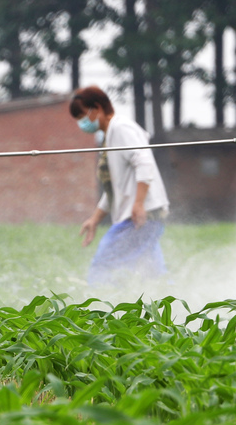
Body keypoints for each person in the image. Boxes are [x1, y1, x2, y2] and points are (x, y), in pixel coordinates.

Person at [70, 86, 170, 285]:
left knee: (105, 265)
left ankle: (98, 308)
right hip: (144, 215)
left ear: (96, 108)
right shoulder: (110, 136)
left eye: (82, 115)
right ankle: (177, 304)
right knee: (154, 276)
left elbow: (144, 162)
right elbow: (115, 188)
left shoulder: (121, 128)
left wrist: (139, 203)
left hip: (141, 215)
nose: (82, 123)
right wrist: (95, 219)